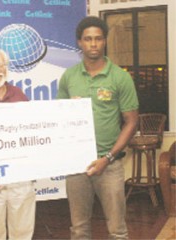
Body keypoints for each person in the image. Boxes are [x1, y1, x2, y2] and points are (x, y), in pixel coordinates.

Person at [56, 16, 139, 239]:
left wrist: (108, 158)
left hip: (110, 164)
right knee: (79, 229)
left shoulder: (120, 77)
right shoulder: (69, 77)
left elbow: (131, 122)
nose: (93, 44)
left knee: (117, 231)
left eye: (98, 39)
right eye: (88, 39)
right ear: (79, 43)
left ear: (105, 42)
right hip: (77, 166)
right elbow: (58, 119)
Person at [0, 48, 36, 240]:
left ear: (7, 68)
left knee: (23, 233)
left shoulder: (19, 95)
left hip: (20, 179)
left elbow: (33, 133)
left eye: (0, 64)